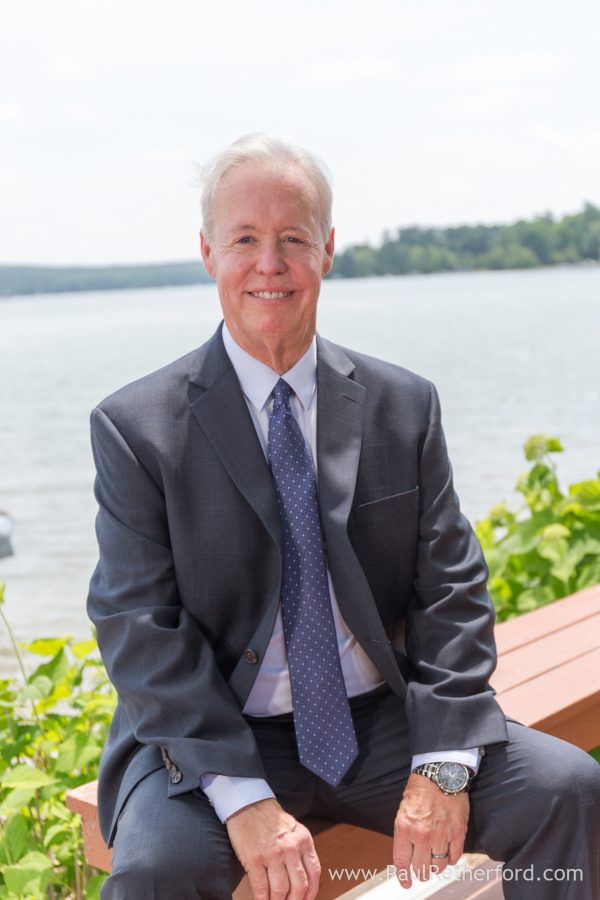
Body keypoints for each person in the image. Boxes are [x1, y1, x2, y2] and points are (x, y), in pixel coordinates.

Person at [88, 134, 600, 900]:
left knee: (568, 787)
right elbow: (136, 624)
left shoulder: (405, 406)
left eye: (293, 239)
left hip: (379, 725)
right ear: (207, 253)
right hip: (216, 732)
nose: (270, 263)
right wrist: (243, 796)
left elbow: (453, 595)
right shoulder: (136, 428)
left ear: (328, 250)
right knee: (160, 871)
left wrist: (440, 765)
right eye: (245, 240)